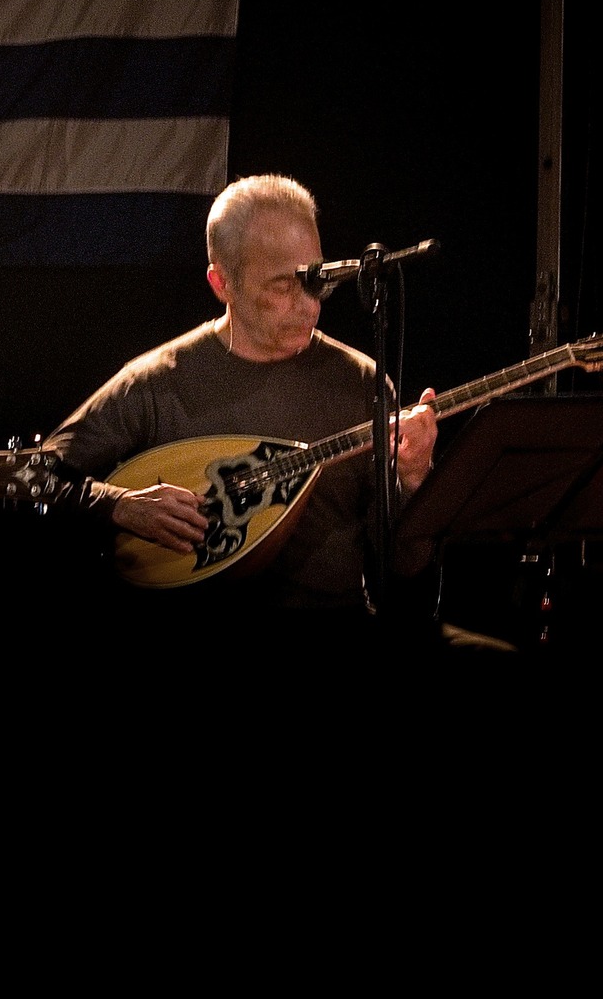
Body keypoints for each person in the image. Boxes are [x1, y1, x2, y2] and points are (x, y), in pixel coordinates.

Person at [39, 172, 451, 650]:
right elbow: (39, 475)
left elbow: (403, 570)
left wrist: (414, 481)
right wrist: (120, 505)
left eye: (315, 281)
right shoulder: (157, 381)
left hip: (333, 631)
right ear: (221, 284)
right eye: (281, 287)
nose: (307, 307)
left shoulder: (362, 381)